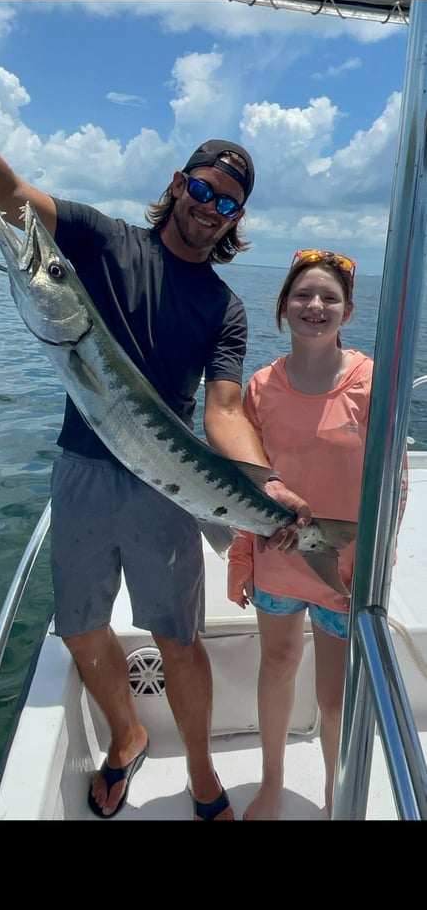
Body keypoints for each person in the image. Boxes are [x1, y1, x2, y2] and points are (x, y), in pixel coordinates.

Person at [0, 101, 312, 822]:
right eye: (203, 187)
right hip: (84, 469)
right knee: (81, 627)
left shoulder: (224, 308)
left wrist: (266, 483)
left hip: (171, 485)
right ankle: (125, 739)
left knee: (177, 638)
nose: (210, 206)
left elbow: (220, 411)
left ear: (235, 218)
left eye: (228, 202)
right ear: (178, 182)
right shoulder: (98, 240)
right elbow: (12, 198)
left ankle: (200, 772)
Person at [228, 249, 408, 820]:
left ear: (348, 311)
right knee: (276, 665)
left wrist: (374, 559)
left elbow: (394, 483)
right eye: (302, 295)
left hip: (345, 569)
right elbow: (245, 480)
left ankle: (336, 795)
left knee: (335, 696)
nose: (315, 306)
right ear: (282, 308)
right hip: (278, 562)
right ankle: (272, 783)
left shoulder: (372, 381)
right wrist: (242, 558)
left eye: (329, 297)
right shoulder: (259, 386)